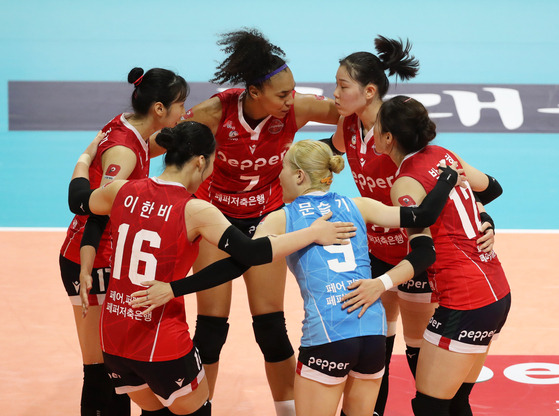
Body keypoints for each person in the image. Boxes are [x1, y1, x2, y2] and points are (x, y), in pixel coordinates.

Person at [133, 138, 464, 416]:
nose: (278, 177)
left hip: (327, 335)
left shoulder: (282, 218)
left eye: (284, 170)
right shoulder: (358, 204)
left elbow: (238, 263)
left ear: (301, 176)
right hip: (372, 333)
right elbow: (424, 215)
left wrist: (175, 288)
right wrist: (447, 179)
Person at [67, 122, 357, 416]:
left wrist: (85, 157)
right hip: (161, 341)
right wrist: (312, 232)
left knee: (155, 411)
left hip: (114, 338)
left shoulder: (120, 190)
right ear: (200, 161)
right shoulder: (195, 210)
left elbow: (77, 199)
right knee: (196, 407)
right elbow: (253, 253)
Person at [329, 36, 497, 415]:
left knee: (420, 351)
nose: (334, 93)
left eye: (342, 86)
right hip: (373, 252)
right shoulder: (349, 125)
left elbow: (453, 186)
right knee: (373, 350)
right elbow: (331, 151)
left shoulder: (399, 140)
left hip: (415, 255)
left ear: (369, 92)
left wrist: (483, 219)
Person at [182, 28, 340, 415]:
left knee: (270, 328)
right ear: (254, 92)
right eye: (282, 94)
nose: (291, 100)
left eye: (292, 92)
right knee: (210, 331)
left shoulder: (297, 110)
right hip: (216, 222)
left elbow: (350, 114)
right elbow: (161, 147)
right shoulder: (213, 114)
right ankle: (202, 408)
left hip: (267, 219)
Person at [59, 67, 188, 416]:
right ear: (159, 108)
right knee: (102, 369)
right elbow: (92, 206)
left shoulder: (129, 125)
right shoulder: (125, 152)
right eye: (180, 105)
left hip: (111, 258)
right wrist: (82, 162)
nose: (184, 112)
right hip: (92, 258)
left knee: (120, 366)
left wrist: (86, 157)